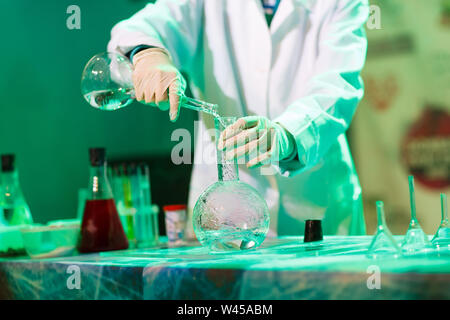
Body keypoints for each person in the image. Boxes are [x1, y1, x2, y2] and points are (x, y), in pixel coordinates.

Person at [108, 0, 369, 236]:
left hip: (315, 199)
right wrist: (148, 54)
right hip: (224, 216)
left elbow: (337, 86)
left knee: (323, 287)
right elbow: (142, 27)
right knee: (222, 288)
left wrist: (287, 136)